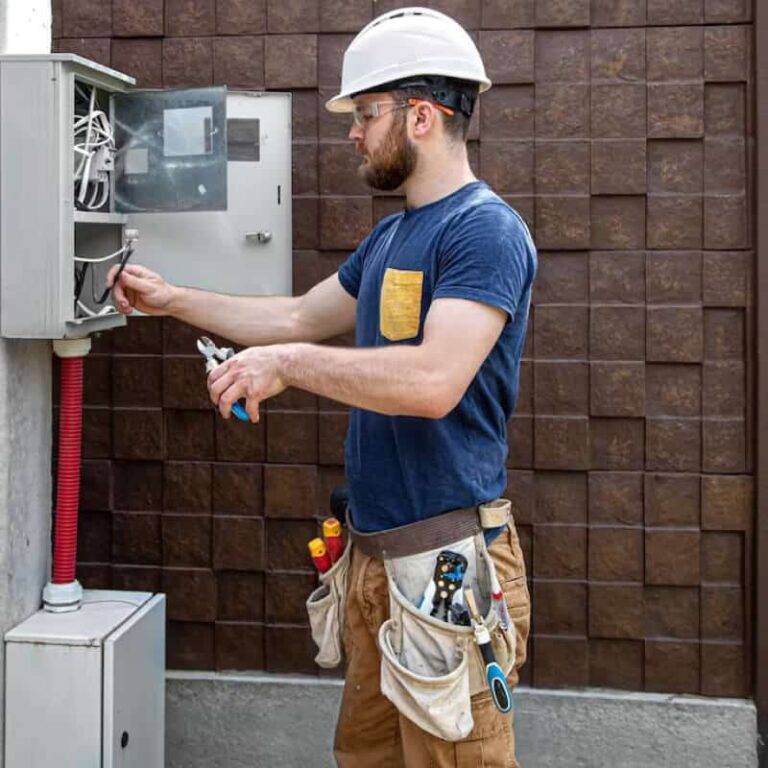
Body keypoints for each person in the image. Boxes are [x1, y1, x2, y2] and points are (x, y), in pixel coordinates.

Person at [108, 7, 536, 766]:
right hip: (374, 561)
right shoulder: (393, 234)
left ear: (423, 116)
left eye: (366, 114)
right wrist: (173, 300)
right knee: (366, 759)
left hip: (445, 566)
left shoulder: (484, 230)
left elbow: (435, 379)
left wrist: (291, 366)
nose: (353, 132)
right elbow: (300, 313)